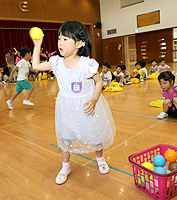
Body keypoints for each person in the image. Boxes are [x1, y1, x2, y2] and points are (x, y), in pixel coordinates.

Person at [31, 21, 115, 185]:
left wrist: (94, 99)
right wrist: (37, 45)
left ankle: (100, 158)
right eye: (59, 38)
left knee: (95, 133)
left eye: (65, 39)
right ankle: (65, 166)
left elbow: (99, 82)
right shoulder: (56, 62)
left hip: (87, 106)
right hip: (66, 107)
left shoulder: (87, 64)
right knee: (66, 137)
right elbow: (35, 66)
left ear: (78, 43)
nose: (60, 42)